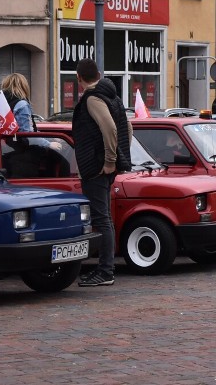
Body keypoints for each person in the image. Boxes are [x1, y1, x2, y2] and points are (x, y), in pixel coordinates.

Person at [72, 59, 132, 288]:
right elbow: (127, 128)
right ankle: (106, 269)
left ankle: (106, 271)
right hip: (105, 166)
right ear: (98, 73)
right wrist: (121, 154)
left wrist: (110, 160)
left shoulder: (93, 98)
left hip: (96, 166)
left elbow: (111, 128)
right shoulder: (112, 96)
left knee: (102, 219)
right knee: (105, 217)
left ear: (79, 78)